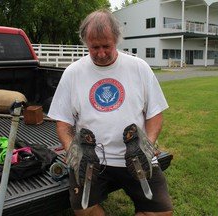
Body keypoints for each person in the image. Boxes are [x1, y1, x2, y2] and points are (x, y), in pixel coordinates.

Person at [48, 9, 173, 216]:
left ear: (117, 39)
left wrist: (147, 146)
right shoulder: (72, 73)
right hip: (91, 159)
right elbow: (63, 123)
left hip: (135, 156)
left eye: (106, 46)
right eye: (94, 47)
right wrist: (75, 153)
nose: (101, 53)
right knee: (84, 210)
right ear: (85, 42)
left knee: (161, 213)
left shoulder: (139, 67)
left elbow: (155, 114)